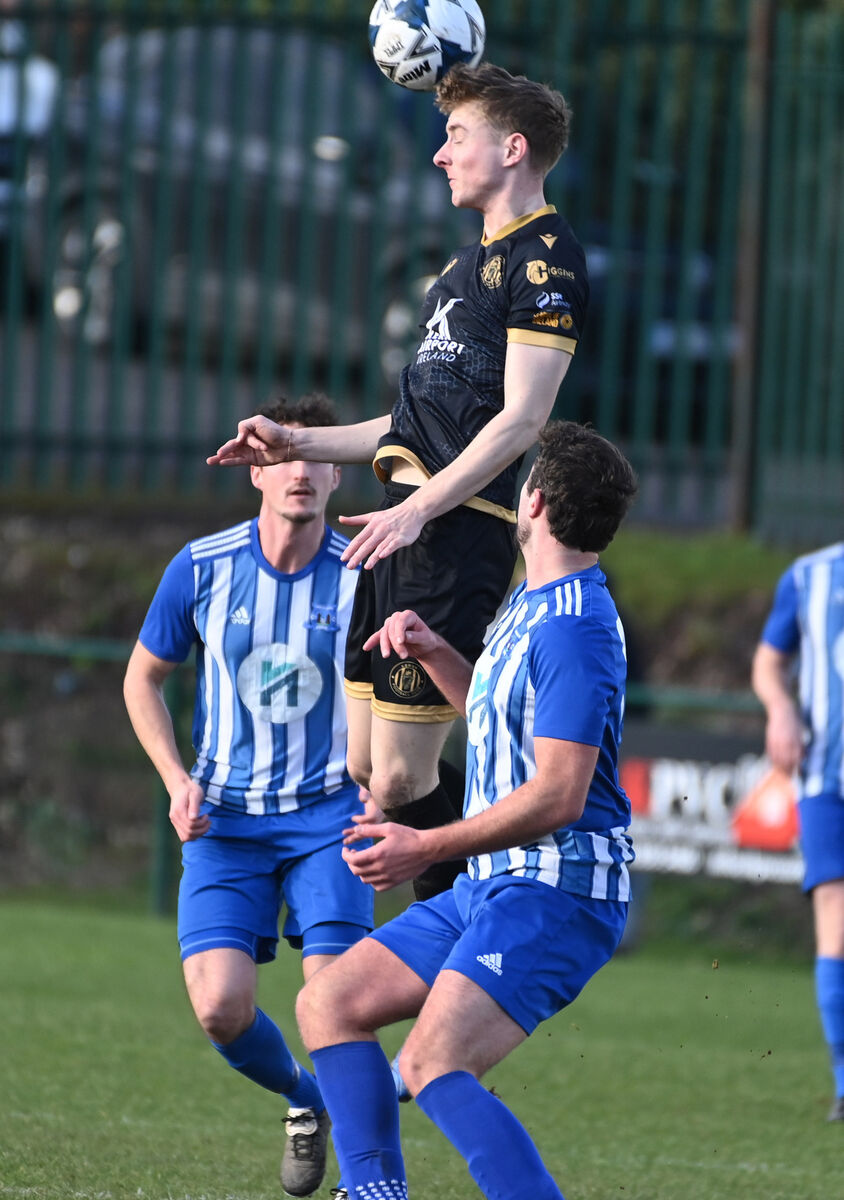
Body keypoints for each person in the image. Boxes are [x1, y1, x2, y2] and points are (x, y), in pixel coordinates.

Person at [208, 62, 589, 902]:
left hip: (452, 534)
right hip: (398, 528)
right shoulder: (458, 272)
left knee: (400, 785)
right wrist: (293, 440)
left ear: (513, 149)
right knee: (362, 765)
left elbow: (523, 419)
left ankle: (479, 916)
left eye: (457, 136)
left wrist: (419, 510)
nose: (439, 155)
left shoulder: (545, 264)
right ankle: (474, 897)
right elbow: (407, 424)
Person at [293, 420, 637, 1200]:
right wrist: (435, 653)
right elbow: (499, 719)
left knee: (431, 1064)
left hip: (558, 892)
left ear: (535, 500)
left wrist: (426, 846)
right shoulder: (535, 599)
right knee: (330, 1002)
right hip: (496, 882)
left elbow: (560, 795)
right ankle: (374, 1190)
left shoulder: (576, 629)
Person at [123, 395, 375, 1196]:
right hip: (225, 821)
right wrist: (175, 780)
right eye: (279, 456)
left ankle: (370, 1181)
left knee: (335, 1001)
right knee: (220, 1010)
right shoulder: (202, 567)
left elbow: (399, 695)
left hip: (329, 819)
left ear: (337, 471)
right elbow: (143, 679)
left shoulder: (367, 572)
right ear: (253, 471)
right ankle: (307, 1102)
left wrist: (384, 792)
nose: (298, 470)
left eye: (314, 457)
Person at [752, 541, 844, 1123]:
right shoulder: (809, 574)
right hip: (825, 777)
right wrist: (781, 709)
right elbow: (768, 660)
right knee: (835, 919)